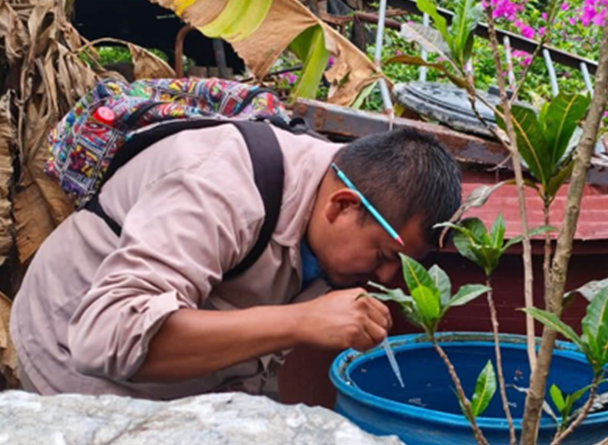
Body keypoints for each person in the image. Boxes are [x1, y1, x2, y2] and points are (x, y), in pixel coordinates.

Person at [10, 124, 462, 399]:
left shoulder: (333, 213)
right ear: (342, 205)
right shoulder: (220, 185)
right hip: (66, 354)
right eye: (384, 256)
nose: (386, 277)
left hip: (182, 383)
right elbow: (105, 336)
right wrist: (300, 321)